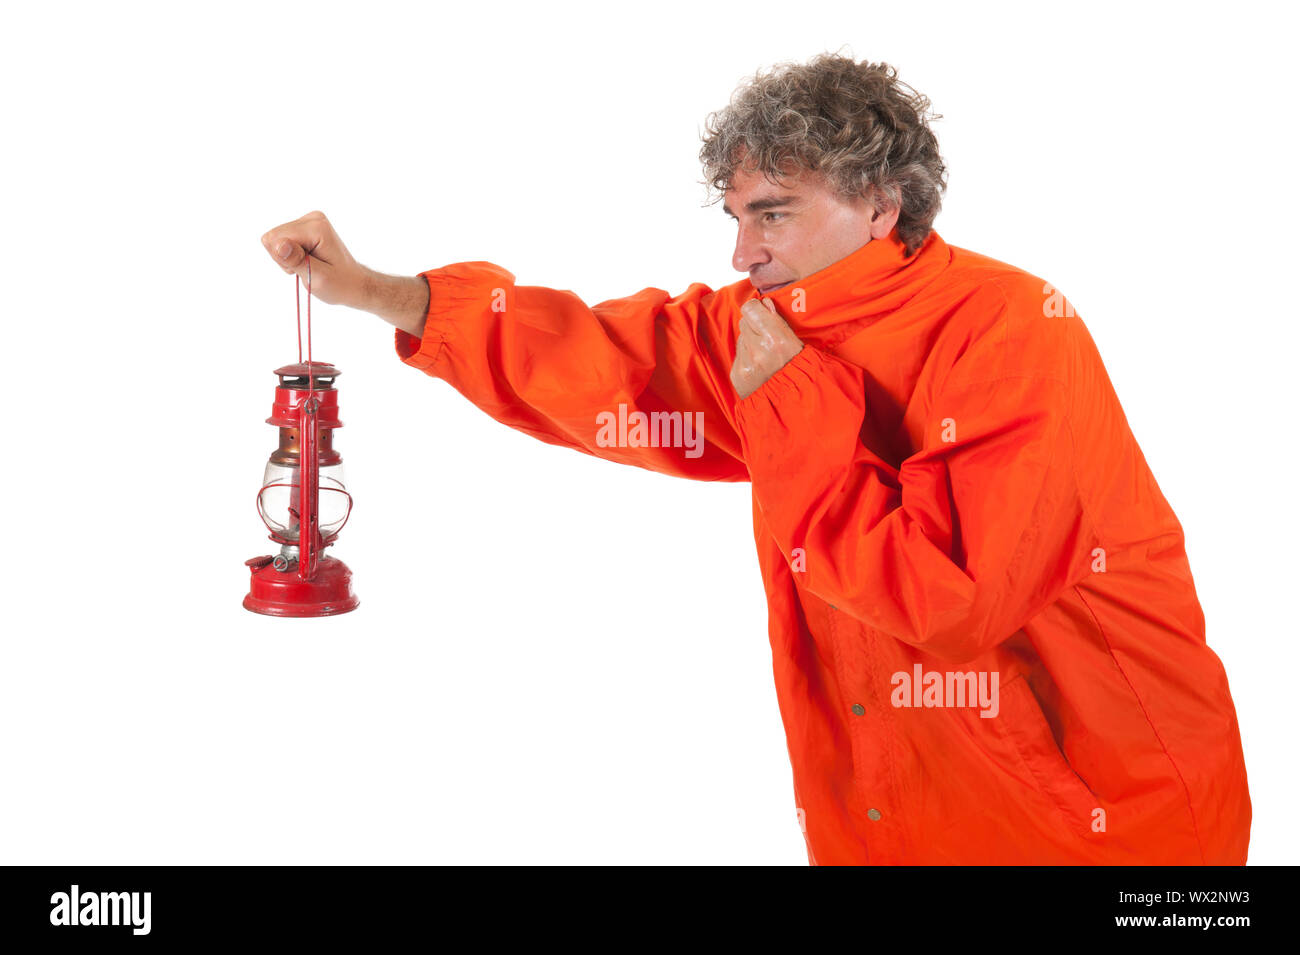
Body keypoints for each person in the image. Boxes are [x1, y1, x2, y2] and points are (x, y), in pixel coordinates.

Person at [260, 53, 1251, 865]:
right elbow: (601, 363)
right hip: (885, 818)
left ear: (880, 205)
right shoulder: (768, 328)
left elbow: (945, 599)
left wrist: (784, 396)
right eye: (733, 216)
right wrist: (376, 291)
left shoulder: (1007, 333)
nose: (741, 253)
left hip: (1108, 829)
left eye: (771, 213)